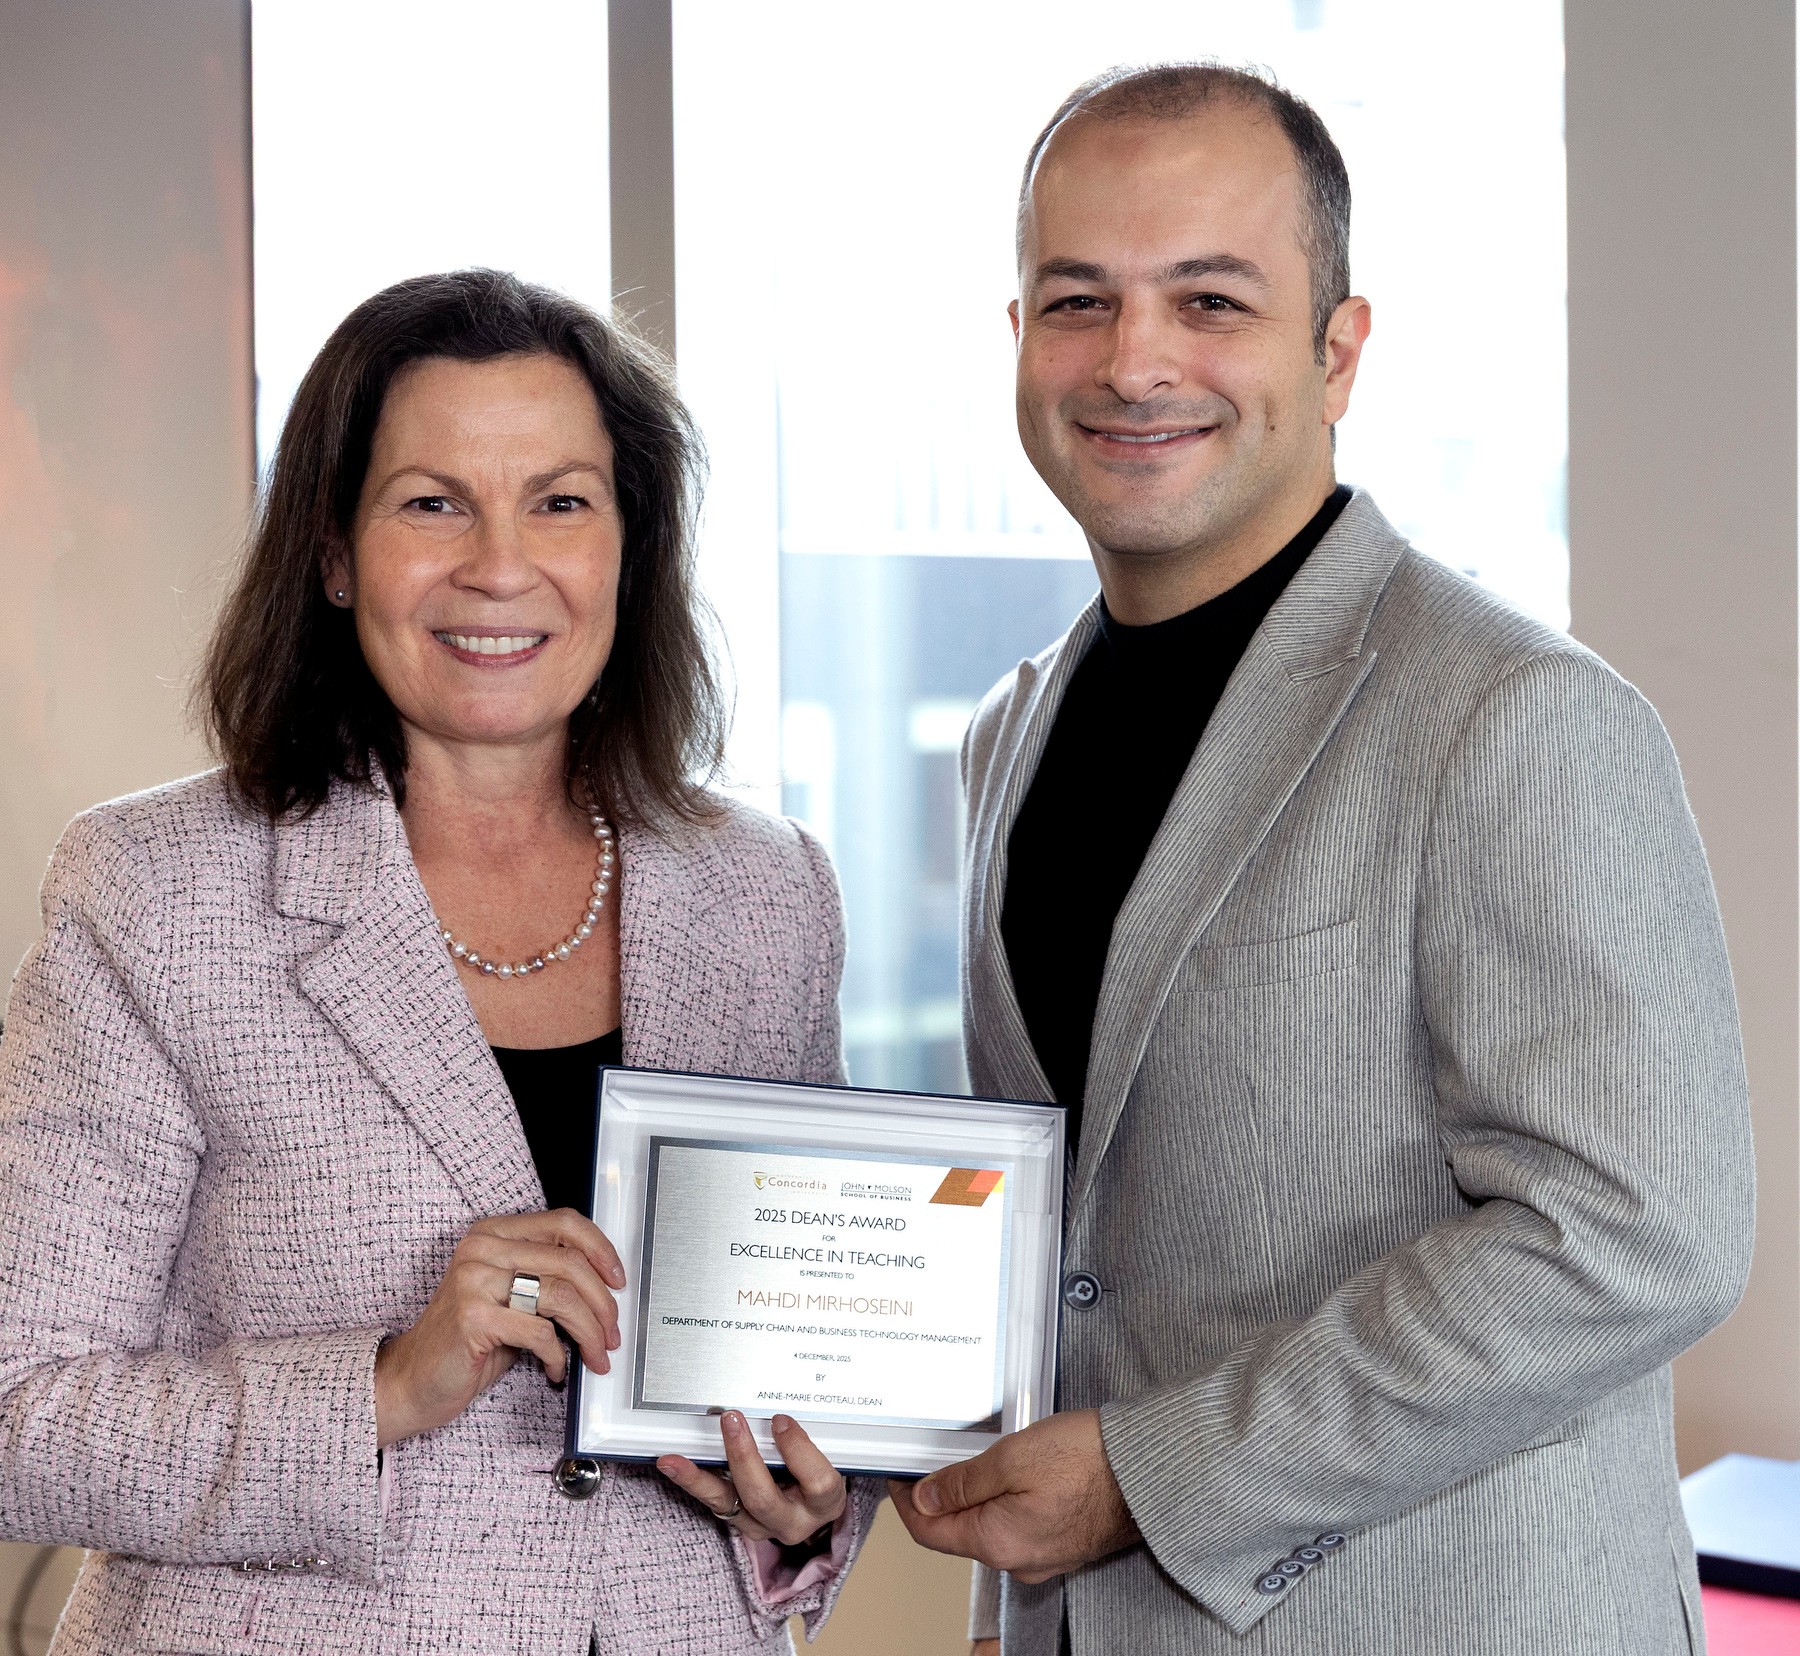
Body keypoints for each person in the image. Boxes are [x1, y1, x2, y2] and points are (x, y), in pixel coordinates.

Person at [889, 63, 1755, 1656]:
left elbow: (1640, 1233)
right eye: (1077, 300)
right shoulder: (1010, 731)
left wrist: (1155, 1480)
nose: (1136, 359)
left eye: (1209, 298)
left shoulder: (1515, 716)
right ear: (1017, 341)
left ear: (1338, 349)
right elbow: (1096, 1242)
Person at [0, 270, 878, 1654]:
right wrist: (387, 1386)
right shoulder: (158, 893)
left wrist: (808, 1505)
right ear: (337, 553)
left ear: (629, 548)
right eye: (431, 502)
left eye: (561, 501)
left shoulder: (765, 893)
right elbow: (19, 1415)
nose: (500, 562)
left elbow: (810, 1361)